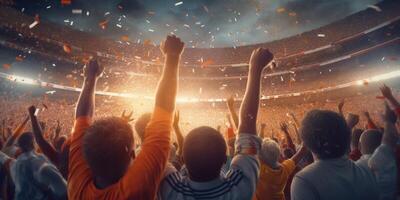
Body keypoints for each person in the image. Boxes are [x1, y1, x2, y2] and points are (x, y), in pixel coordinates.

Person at [67, 35, 184, 199]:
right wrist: (172, 56)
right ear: (132, 155)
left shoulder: (76, 186)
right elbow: (81, 118)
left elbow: (81, 118)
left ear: (84, 158)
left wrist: (90, 79)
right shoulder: (137, 188)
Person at [158, 48, 274, 200]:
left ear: (183, 160)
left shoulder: (170, 190)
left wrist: (172, 56)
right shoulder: (239, 189)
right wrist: (256, 68)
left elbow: (155, 149)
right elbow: (248, 127)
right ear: (225, 160)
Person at [291, 109, 379, 200]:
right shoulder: (368, 169)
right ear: (346, 138)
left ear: (305, 143)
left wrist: (347, 127)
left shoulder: (304, 181)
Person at [0, 129, 67, 200]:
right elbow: (64, 191)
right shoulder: (43, 164)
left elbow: (6, 159)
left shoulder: (17, 166)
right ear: (33, 144)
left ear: (20, 147)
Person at [357, 103, 398, 200]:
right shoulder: (388, 160)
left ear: (359, 147)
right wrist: (388, 121)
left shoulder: (354, 168)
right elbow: (390, 138)